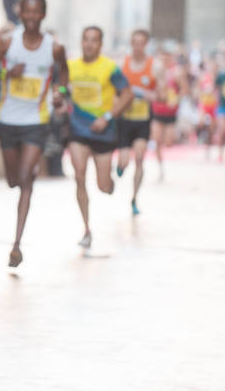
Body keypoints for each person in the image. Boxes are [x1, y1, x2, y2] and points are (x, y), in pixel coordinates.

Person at [0, 0, 68, 267]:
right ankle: (26, 173)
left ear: (43, 15)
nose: (32, 17)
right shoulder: (8, 42)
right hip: (8, 121)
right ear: (20, 14)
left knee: (25, 180)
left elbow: (63, 74)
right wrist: (9, 74)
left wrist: (60, 92)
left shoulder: (54, 47)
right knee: (13, 181)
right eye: (27, 12)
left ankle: (16, 245)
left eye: (37, 12)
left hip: (36, 121)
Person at [66, 26, 133, 250]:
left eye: (94, 41)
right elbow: (64, 89)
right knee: (79, 175)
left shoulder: (109, 68)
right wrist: (61, 95)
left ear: (101, 44)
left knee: (103, 186)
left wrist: (107, 117)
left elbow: (127, 95)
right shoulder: (71, 66)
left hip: (103, 132)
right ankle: (86, 229)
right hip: (78, 131)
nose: (89, 44)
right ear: (81, 41)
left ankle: (110, 182)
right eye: (85, 39)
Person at [114, 29, 156, 215]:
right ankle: (120, 166)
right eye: (134, 42)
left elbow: (162, 94)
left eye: (141, 43)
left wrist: (148, 94)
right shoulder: (122, 64)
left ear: (146, 44)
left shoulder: (155, 66)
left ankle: (134, 198)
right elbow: (113, 89)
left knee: (139, 158)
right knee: (124, 161)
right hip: (125, 120)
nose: (137, 47)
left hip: (142, 120)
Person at [150, 43, 184, 180]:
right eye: (161, 56)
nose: (164, 59)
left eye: (166, 56)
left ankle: (168, 166)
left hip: (170, 113)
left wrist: (176, 100)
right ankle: (160, 168)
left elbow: (184, 89)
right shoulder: (154, 71)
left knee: (169, 142)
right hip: (157, 111)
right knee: (156, 141)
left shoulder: (177, 72)